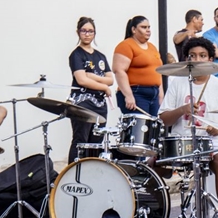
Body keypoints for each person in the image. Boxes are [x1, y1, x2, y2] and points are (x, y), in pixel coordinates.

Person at [158, 37, 218, 218]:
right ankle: (155, 217)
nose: (197, 59)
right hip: (182, 141)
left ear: (211, 60)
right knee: (153, 163)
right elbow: (164, 119)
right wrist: (181, 110)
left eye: (203, 55)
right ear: (187, 59)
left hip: (212, 141)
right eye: (192, 55)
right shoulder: (176, 83)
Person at [67, 16, 114, 163]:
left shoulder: (100, 56)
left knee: (96, 143)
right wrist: (103, 86)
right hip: (83, 104)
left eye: (91, 31)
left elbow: (111, 79)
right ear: (78, 32)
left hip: (100, 106)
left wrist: (92, 76)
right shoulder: (76, 54)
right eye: (84, 31)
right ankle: (72, 173)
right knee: (80, 140)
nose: (87, 34)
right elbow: (81, 80)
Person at [112, 16, 164, 115]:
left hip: (154, 93)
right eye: (144, 27)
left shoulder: (152, 47)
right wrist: (129, 95)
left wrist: (161, 96)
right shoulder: (126, 45)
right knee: (140, 128)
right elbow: (119, 70)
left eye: (149, 27)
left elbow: (158, 72)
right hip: (137, 93)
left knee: (153, 128)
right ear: (134, 29)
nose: (148, 30)